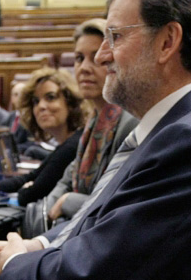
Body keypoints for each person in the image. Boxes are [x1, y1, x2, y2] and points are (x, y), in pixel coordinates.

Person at [0, 0, 191, 280]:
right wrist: (35, 245)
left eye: (115, 36)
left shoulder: (190, 141)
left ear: (167, 42)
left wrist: (11, 266)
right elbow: (101, 223)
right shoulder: (174, 127)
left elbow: (99, 269)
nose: (103, 56)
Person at [45, 18, 138, 224]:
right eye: (79, 58)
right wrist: (49, 208)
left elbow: (118, 207)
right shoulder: (93, 120)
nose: (84, 68)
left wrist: (68, 201)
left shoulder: (130, 123)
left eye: (95, 57)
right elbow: (68, 178)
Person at [0, 67, 85, 206]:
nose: (41, 106)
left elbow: (30, 195)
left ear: (70, 103)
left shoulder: (72, 146)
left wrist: (25, 190)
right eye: (35, 101)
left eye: (50, 97)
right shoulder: (65, 144)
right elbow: (32, 177)